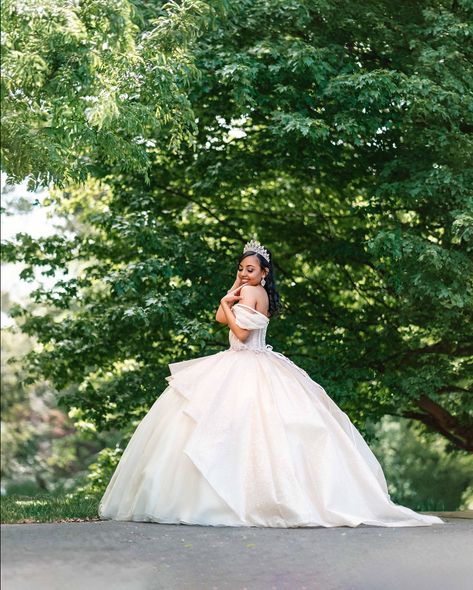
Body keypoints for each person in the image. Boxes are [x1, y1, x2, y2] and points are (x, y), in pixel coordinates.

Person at [98, 239, 445, 528]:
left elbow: (240, 331)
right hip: (243, 360)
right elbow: (222, 317)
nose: (244, 273)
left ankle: (235, 499)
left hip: (247, 360)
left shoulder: (252, 295)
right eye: (241, 268)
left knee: (236, 429)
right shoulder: (247, 292)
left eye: (250, 269)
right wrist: (230, 295)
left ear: (264, 273)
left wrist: (228, 300)